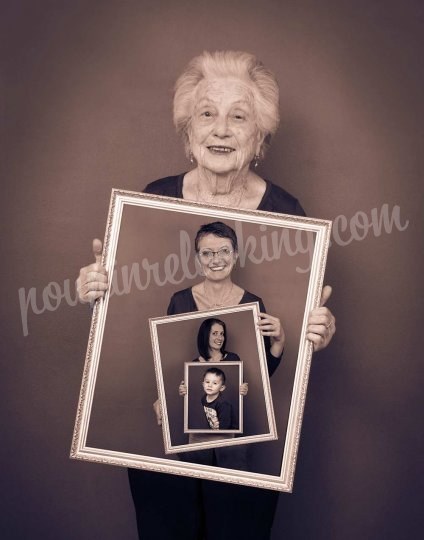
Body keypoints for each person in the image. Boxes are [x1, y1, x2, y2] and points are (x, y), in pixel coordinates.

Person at [76, 50, 336, 540]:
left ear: (259, 137)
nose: (221, 129)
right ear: (187, 133)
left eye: (238, 117)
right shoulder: (150, 199)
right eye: (207, 114)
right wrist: (98, 289)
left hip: (246, 438)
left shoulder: (289, 213)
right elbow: (137, 328)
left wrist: (314, 330)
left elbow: (282, 346)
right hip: (165, 442)